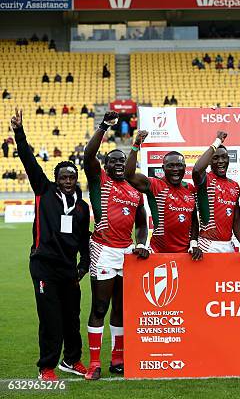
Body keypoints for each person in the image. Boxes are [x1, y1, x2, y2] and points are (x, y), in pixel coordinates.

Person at [11, 108, 90, 380]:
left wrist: (84, 266)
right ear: (56, 179)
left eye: (71, 177)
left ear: (75, 179)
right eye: (63, 178)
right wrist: (19, 133)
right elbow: (28, 161)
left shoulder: (81, 208)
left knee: (72, 317)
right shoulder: (44, 192)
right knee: (50, 318)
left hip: (69, 270)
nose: (67, 181)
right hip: (44, 266)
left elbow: (83, 239)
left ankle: (72, 360)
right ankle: (46, 367)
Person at [82, 112, 149, 380]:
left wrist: (142, 243)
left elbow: (142, 225)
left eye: (122, 161)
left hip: (126, 253)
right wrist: (103, 127)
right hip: (103, 250)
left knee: (121, 309)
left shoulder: (135, 191)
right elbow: (89, 155)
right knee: (100, 307)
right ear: (106, 166)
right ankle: (95, 362)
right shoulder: (100, 181)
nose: (119, 165)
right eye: (113, 161)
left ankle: (118, 360)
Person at [126, 131, 202, 259]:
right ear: (163, 168)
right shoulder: (155, 185)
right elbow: (129, 175)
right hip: (158, 252)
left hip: (186, 255)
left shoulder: (190, 189)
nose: (175, 169)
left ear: (184, 167)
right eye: (170, 166)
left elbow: (194, 220)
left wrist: (193, 243)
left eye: (179, 165)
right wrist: (136, 145)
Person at [191, 132, 240, 257]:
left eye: (224, 157)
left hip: (228, 245)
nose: (221, 161)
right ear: (209, 161)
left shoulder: (234, 185)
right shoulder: (205, 179)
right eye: (216, 158)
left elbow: (236, 218)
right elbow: (197, 169)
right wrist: (218, 141)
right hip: (207, 245)